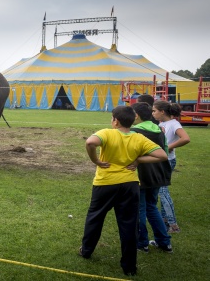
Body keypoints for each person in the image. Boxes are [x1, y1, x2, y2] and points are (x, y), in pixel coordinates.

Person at [79, 105, 168, 276]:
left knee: (95, 218)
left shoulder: (107, 132)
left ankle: (86, 251)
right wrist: (138, 160)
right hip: (130, 185)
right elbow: (162, 155)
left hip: (105, 183)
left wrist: (96, 160)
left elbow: (90, 142)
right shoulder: (138, 138)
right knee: (129, 224)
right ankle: (129, 267)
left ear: (115, 121)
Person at [130, 102, 173, 253]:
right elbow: (165, 152)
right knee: (151, 207)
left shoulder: (134, 132)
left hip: (141, 175)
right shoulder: (160, 130)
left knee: (140, 209)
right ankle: (164, 242)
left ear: (136, 115)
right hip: (158, 174)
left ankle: (142, 244)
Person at [152, 100, 190, 234]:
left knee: (163, 192)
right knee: (160, 191)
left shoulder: (174, 124)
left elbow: (185, 138)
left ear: (162, 112)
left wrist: (169, 147)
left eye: (154, 111)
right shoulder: (161, 124)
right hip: (160, 160)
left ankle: (173, 225)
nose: (153, 113)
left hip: (167, 161)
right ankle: (165, 221)